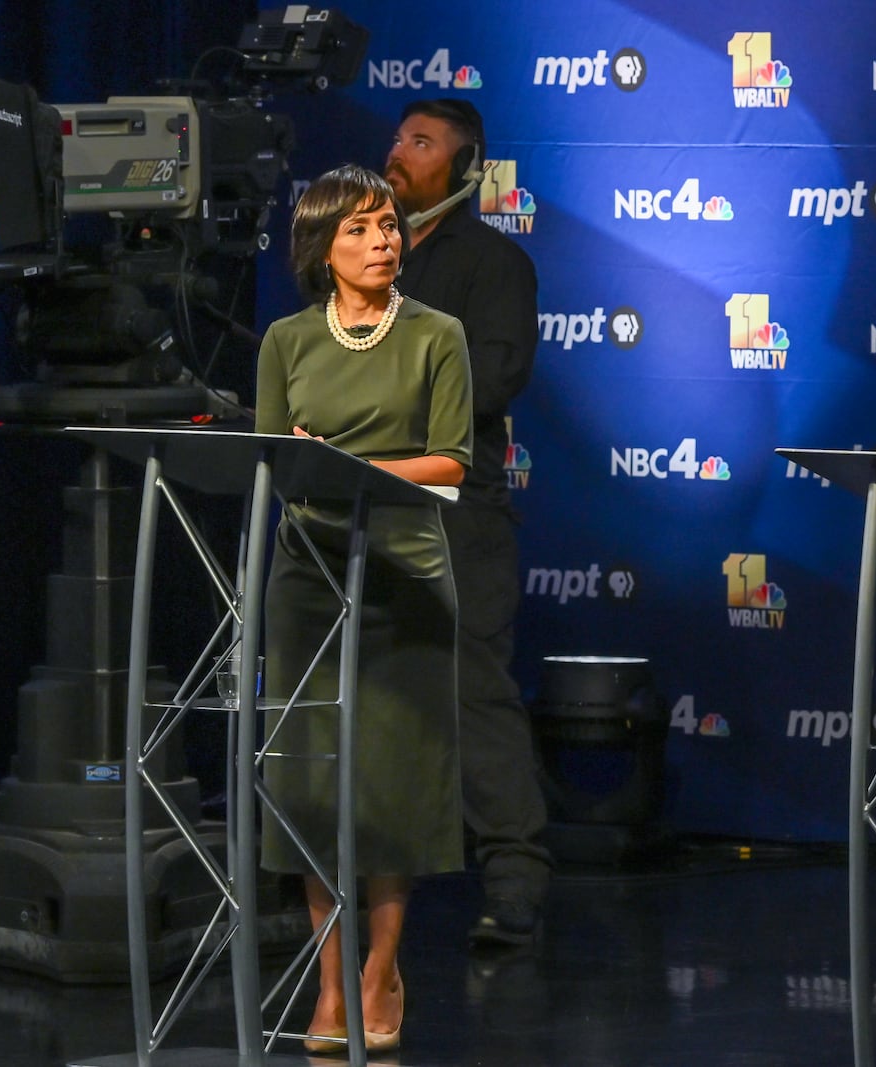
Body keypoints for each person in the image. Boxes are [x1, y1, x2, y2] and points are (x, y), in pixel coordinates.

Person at [255, 163, 473, 1053]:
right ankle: (331, 979)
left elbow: (452, 461)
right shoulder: (286, 341)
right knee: (313, 785)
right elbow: (272, 460)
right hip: (307, 580)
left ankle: (381, 966)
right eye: (362, 230)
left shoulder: (437, 335)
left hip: (404, 578)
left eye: (389, 225)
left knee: (390, 787)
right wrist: (307, 467)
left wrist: (356, 471)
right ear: (323, 248)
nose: (384, 240)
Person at [383, 97, 551, 947]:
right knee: (358, 693)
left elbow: (494, 379)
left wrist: (386, 394)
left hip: (455, 513)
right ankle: (338, 877)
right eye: (398, 138)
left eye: (421, 143)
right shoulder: (361, 257)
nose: (398, 152)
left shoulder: (494, 263)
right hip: (359, 507)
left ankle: (515, 881)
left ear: (466, 165)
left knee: (474, 692)